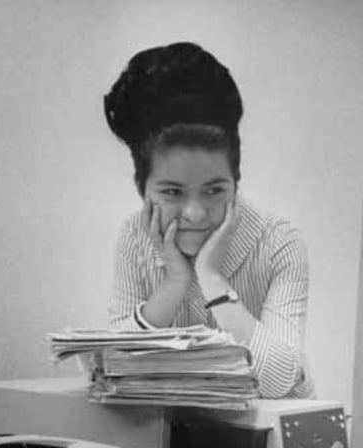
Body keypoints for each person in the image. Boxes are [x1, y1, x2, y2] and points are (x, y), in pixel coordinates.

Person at [104, 41, 313, 399]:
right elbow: (112, 368)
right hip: (178, 429)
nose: (195, 213)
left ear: (236, 182)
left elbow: (279, 381)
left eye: (214, 190)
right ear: (143, 190)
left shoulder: (280, 243)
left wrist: (212, 280)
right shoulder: (134, 236)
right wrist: (173, 285)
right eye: (172, 192)